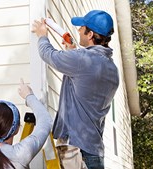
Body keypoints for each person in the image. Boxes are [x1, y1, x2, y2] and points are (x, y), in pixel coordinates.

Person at [31, 10, 119, 169]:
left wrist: (42, 35)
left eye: (81, 27)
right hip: (95, 151)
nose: (78, 30)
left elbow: (48, 54)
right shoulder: (112, 69)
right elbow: (85, 85)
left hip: (76, 151)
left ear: (90, 34)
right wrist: (72, 52)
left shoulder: (82, 60)